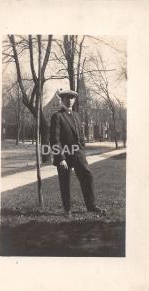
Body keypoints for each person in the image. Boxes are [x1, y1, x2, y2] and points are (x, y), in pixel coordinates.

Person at [50, 89, 105, 218]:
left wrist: (82, 148)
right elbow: (54, 139)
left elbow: (80, 134)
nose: (70, 100)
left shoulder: (76, 115)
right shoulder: (57, 116)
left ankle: (91, 206)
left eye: (72, 98)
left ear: (74, 100)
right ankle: (67, 210)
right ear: (62, 99)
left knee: (87, 176)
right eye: (67, 98)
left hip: (78, 153)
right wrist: (60, 158)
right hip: (64, 155)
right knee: (65, 182)